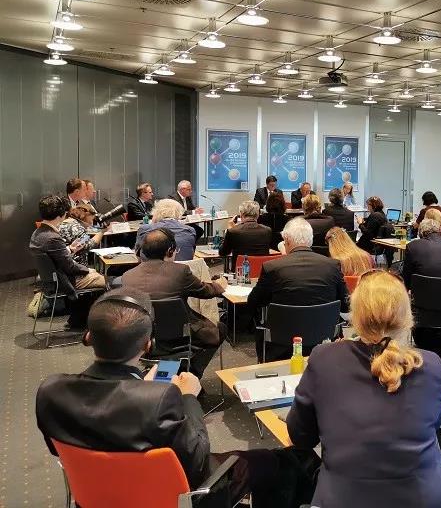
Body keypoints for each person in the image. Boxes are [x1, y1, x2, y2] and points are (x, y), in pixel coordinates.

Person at [35, 288, 303, 507]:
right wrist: (188, 397)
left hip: (97, 494)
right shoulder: (161, 398)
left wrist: (140, 386)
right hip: (174, 497)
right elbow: (198, 463)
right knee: (277, 461)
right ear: (148, 344)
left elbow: (61, 447)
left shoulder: (50, 391)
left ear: (88, 337)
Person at [286, 271, 441, 508]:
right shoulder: (430, 364)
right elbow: (433, 426)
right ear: (407, 315)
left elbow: (300, 437)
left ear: (355, 315)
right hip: (433, 497)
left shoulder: (323, 358)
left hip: (345, 498)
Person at [122, 229, 227, 378]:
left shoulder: (127, 277)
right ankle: (190, 373)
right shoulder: (180, 271)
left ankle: (168, 373)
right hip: (180, 336)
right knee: (221, 329)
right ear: (170, 250)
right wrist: (220, 284)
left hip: (144, 338)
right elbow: (206, 291)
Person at [247, 217, 348, 362]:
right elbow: (345, 305)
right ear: (310, 240)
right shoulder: (333, 266)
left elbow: (253, 302)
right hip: (324, 340)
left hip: (281, 343)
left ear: (287, 240)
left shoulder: (272, 268)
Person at [30, 195, 106, 325]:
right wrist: (88, 270)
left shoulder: (37, 234)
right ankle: (97, 322)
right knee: (107, 280)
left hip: (50, 281)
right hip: (64, 281)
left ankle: (79, 318)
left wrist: (70, 249)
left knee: (95, 274)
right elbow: (70, 267)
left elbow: (53, 257)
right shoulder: (53, 237)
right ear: (62, 214)